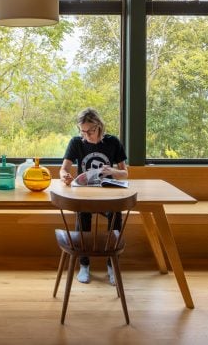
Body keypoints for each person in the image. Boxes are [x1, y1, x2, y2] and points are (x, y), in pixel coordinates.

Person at [59, 107, 128, 285]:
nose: (86, 135)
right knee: (82, 216)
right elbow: (63, 169)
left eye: (90, 131)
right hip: (85, 194)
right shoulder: (77, 142)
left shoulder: (113, 142)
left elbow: (125, 173)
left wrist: (112, 171)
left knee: (116, 214)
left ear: (99, 127)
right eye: (82, 131)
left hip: (107, 194)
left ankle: (112, 265)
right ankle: (84, 265)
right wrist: (65, 176)